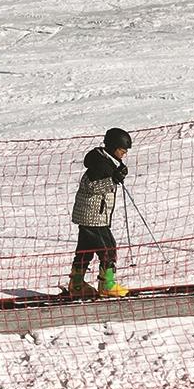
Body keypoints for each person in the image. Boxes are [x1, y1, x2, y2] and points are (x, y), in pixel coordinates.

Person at [68, 127, 132, 298]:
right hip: (93, 216)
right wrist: (113, 180)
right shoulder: (100, 163)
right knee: (108, 248)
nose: (125, 153)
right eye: (122, 149)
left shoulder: (106, 160)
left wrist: (117, 174)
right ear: (113, 147)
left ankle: (76, 284)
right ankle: (107, 284)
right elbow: (90, 186)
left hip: (92, 215)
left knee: (85, 250)